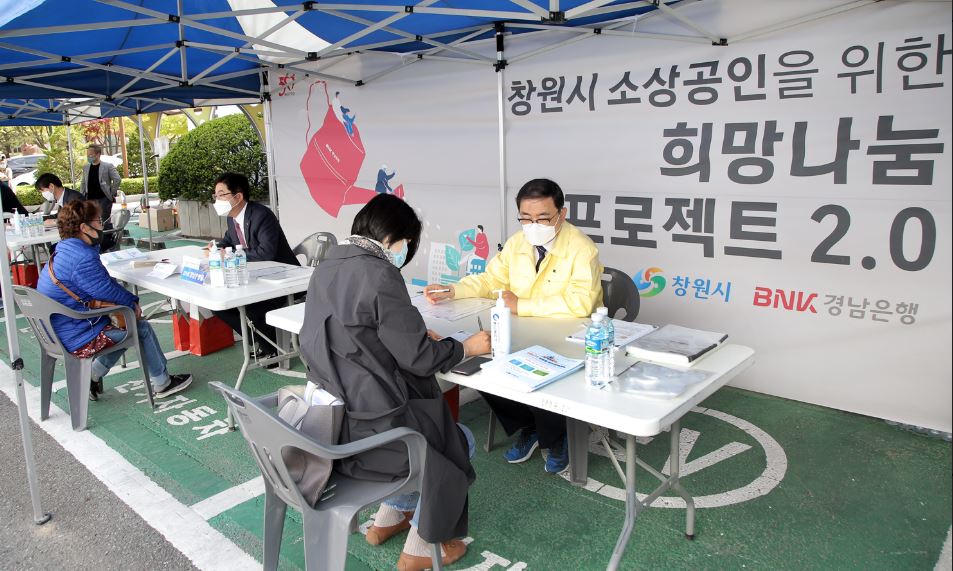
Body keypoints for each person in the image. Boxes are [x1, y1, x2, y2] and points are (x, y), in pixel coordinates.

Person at [299, 193, 490, 571]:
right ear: (395, 239)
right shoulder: (380, 273)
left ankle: (388, 519)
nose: (405, 252)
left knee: (434, 429)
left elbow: (355, 334)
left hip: (333, 424)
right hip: (373, 431)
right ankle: (422, 545)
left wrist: (412, 337)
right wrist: (466, 347)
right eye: (407, 243)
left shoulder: (328, 264)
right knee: (459, 440)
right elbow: (420, 358)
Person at [423, 178, 604, 474]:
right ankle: (530, 426)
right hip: (522, 330)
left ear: (562, 214)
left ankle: (557, 437)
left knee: (544, 374)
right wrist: (453, 290)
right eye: (526, 218)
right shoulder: (518, 243)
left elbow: (582, 303)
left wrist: (522, 305)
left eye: (543, 218)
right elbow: (490, 280)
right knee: (483, 364)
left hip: (566, 337)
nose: (533, 225)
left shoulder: (582, 248)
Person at [36, 200, 192, 402]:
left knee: (126, 326)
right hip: (75, 337)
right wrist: (132, 302)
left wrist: (128, 302)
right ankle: (163, 382)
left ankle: (93, 374)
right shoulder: (82, 257)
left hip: (55, 332)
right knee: (138, 328)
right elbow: (106, 290)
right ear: (84, 227)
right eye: (98, 221)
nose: (102, 226)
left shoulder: (64, 250)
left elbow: (101, 285)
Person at [212, 172, 299, 361]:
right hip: (255, 277)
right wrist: (215, 248)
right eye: (215, 196)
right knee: (219, 307)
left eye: (221, 195)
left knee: (252, 307)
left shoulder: (261, 215)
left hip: (283, 278)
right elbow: (228, 241)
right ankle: (261, 340)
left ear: (238, 197)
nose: (217, 200)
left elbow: (266, 252)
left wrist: (232, 254)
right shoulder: (232, 217)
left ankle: (273, 349)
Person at [81, 144, 121, 220]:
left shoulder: (108, 166)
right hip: (89, 199)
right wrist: (82, 196)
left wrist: (111, 193)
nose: (88, 157)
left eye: (90, 155)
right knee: (91, 220)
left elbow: (117, 179)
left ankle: (108, 228)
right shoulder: (86, 167)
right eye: (87, 155)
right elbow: (83, 182)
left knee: (105, 221)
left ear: (98, 154)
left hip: (103, 199)